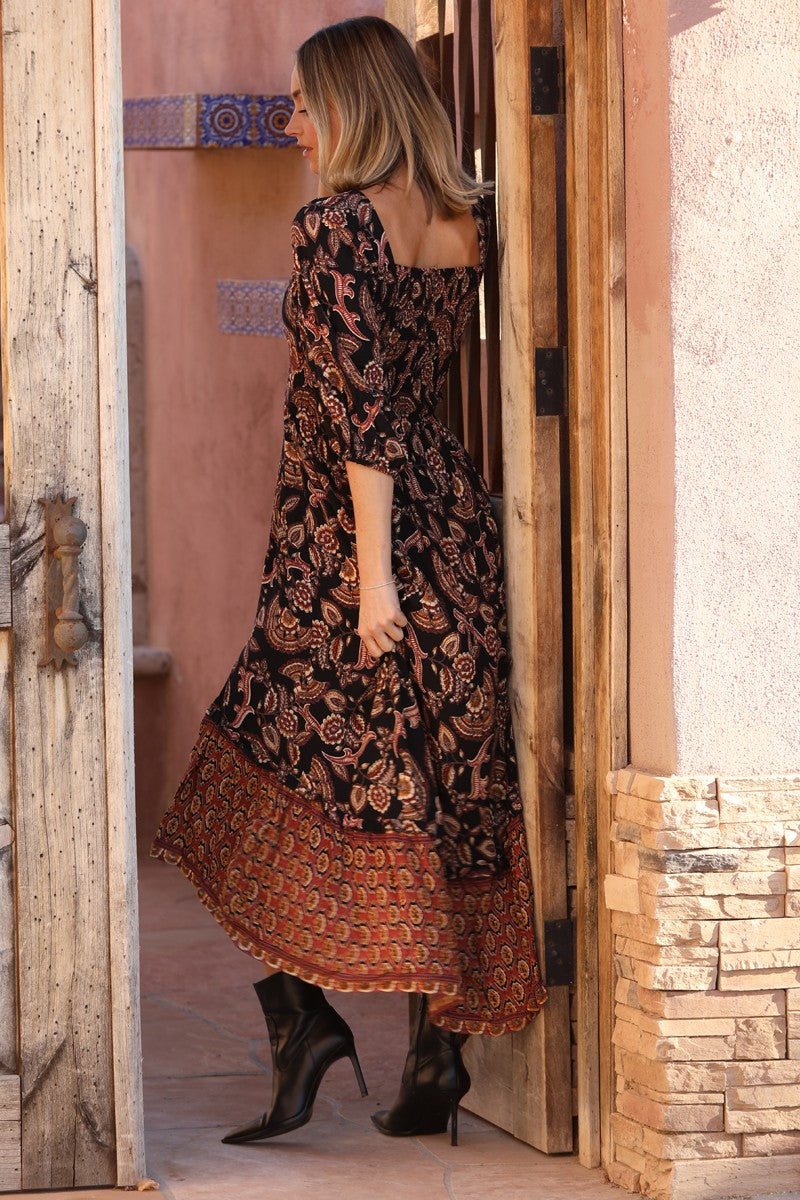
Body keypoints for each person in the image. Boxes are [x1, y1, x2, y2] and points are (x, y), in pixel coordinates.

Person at [151, 14, 547, 1149]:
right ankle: (430, 1054)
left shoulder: (335, 226)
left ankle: (301, 1023)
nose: (293, 123)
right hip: (449, 526)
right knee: (426, 783)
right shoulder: (462, 222)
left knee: (239, 772)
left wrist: (372, 585)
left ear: (350, 105)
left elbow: (362, 420)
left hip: (345, 551)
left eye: (303, 104)